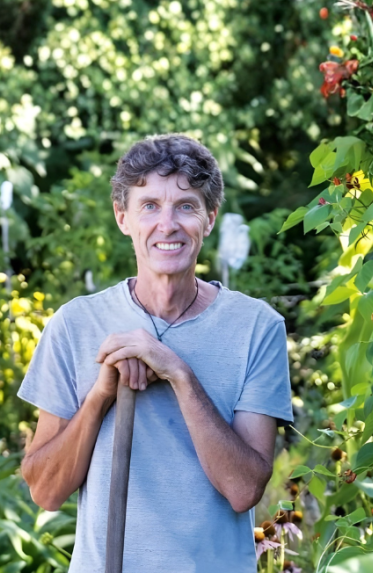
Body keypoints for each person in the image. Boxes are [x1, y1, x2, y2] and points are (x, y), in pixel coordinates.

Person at [17, 134, 293, 572]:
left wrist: (179, 374)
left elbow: (244, 490)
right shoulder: (75, 324)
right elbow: (45, 491)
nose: (167, 224)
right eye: (149, 206)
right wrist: (99, 394)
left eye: (186, 206)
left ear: (209, 218)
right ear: (122, 217)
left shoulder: (257, 328)